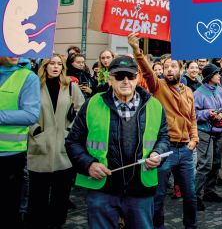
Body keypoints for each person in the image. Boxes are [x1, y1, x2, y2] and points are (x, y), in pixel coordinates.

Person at [65, 55, 169, 229]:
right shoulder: (92, 104)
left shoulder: (155, 105)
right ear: (110, 78)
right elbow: (72, 142)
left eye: (130, 76)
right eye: (119, 76)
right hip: (103, 189)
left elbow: (164, 138)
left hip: (140, 188)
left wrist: (158, 153)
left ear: (138, 78)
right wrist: (88, 165)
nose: (126, 81)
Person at [128, 33, 199, 229]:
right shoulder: (158, 87)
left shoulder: (188, 91)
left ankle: (190, 226)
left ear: (181, 69)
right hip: (165, 151)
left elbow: (192, 118)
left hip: (185, 150)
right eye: (166, 67)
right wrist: (137, 50)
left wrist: (194, 139)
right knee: (158, 196)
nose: (169, 70)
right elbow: (148, 72)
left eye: (173, 66)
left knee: (190, 195)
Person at [26, 54, 85, 229]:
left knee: (61, 192)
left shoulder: (70, 86)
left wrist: (71, 129)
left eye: (59, 64)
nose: (56, 67)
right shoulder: (34, 85)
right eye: (52, 63)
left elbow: (82, 110)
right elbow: (25, 109)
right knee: (38, 193)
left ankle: (57, 222)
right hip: (40, 144)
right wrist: (35, 130)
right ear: (45, 66)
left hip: (63, 145)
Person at [0, 56, 41, 228]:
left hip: (10, 156)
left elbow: (30, 115)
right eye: (9, 47)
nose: (15, 52)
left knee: (8, 212)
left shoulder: (28, 77)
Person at [193, 63, 222, 210]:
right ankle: (195, 196)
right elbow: (193, 114)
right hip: (204, 132)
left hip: (218, 131)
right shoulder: (198, 93)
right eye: (216, 73)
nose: (219, 75)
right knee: (204, 165)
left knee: (215, 163)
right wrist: (207, 113)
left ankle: (209, 191)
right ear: (209, 76)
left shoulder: (219, 89)